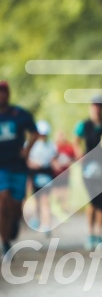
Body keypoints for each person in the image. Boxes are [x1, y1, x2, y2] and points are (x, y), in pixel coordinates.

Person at [0, 80, 38, 257]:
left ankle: (14, 222)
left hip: (18, 167)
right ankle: (5, 243)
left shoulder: (18, 114)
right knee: (2, 201)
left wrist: (27, 149)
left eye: (3, 91)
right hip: (1, 168)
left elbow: (35, 132)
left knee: (14, 206)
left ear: (8, 93)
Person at [74, 95, 102, 251]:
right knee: (93, 200)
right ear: (91, 107)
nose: (97, 108)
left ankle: (99, 235)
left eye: (100, 106)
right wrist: (78, 154)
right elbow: (76, 141)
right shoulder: (84, 125)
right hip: (88, 168)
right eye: (95, 105)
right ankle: (90, 234)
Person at [27, 120, 58, 234]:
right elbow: (26, 160)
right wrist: (34, 165)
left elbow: (54, 159)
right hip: (35, 174)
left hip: (47, 174)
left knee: (45, 200)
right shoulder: (31, 145)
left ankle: (46, 224)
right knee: (37, 199)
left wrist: (56, 164)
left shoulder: (51, 145)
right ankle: (37, 218)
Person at [52, 130, 76, 213]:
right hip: (56, 173)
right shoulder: (54, 146)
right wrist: (55, 164)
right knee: (57, 191)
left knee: (65, 190)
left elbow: (73, 157)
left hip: (65, 172)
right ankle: (57, 205)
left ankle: (63, 207)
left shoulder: (69, 147)